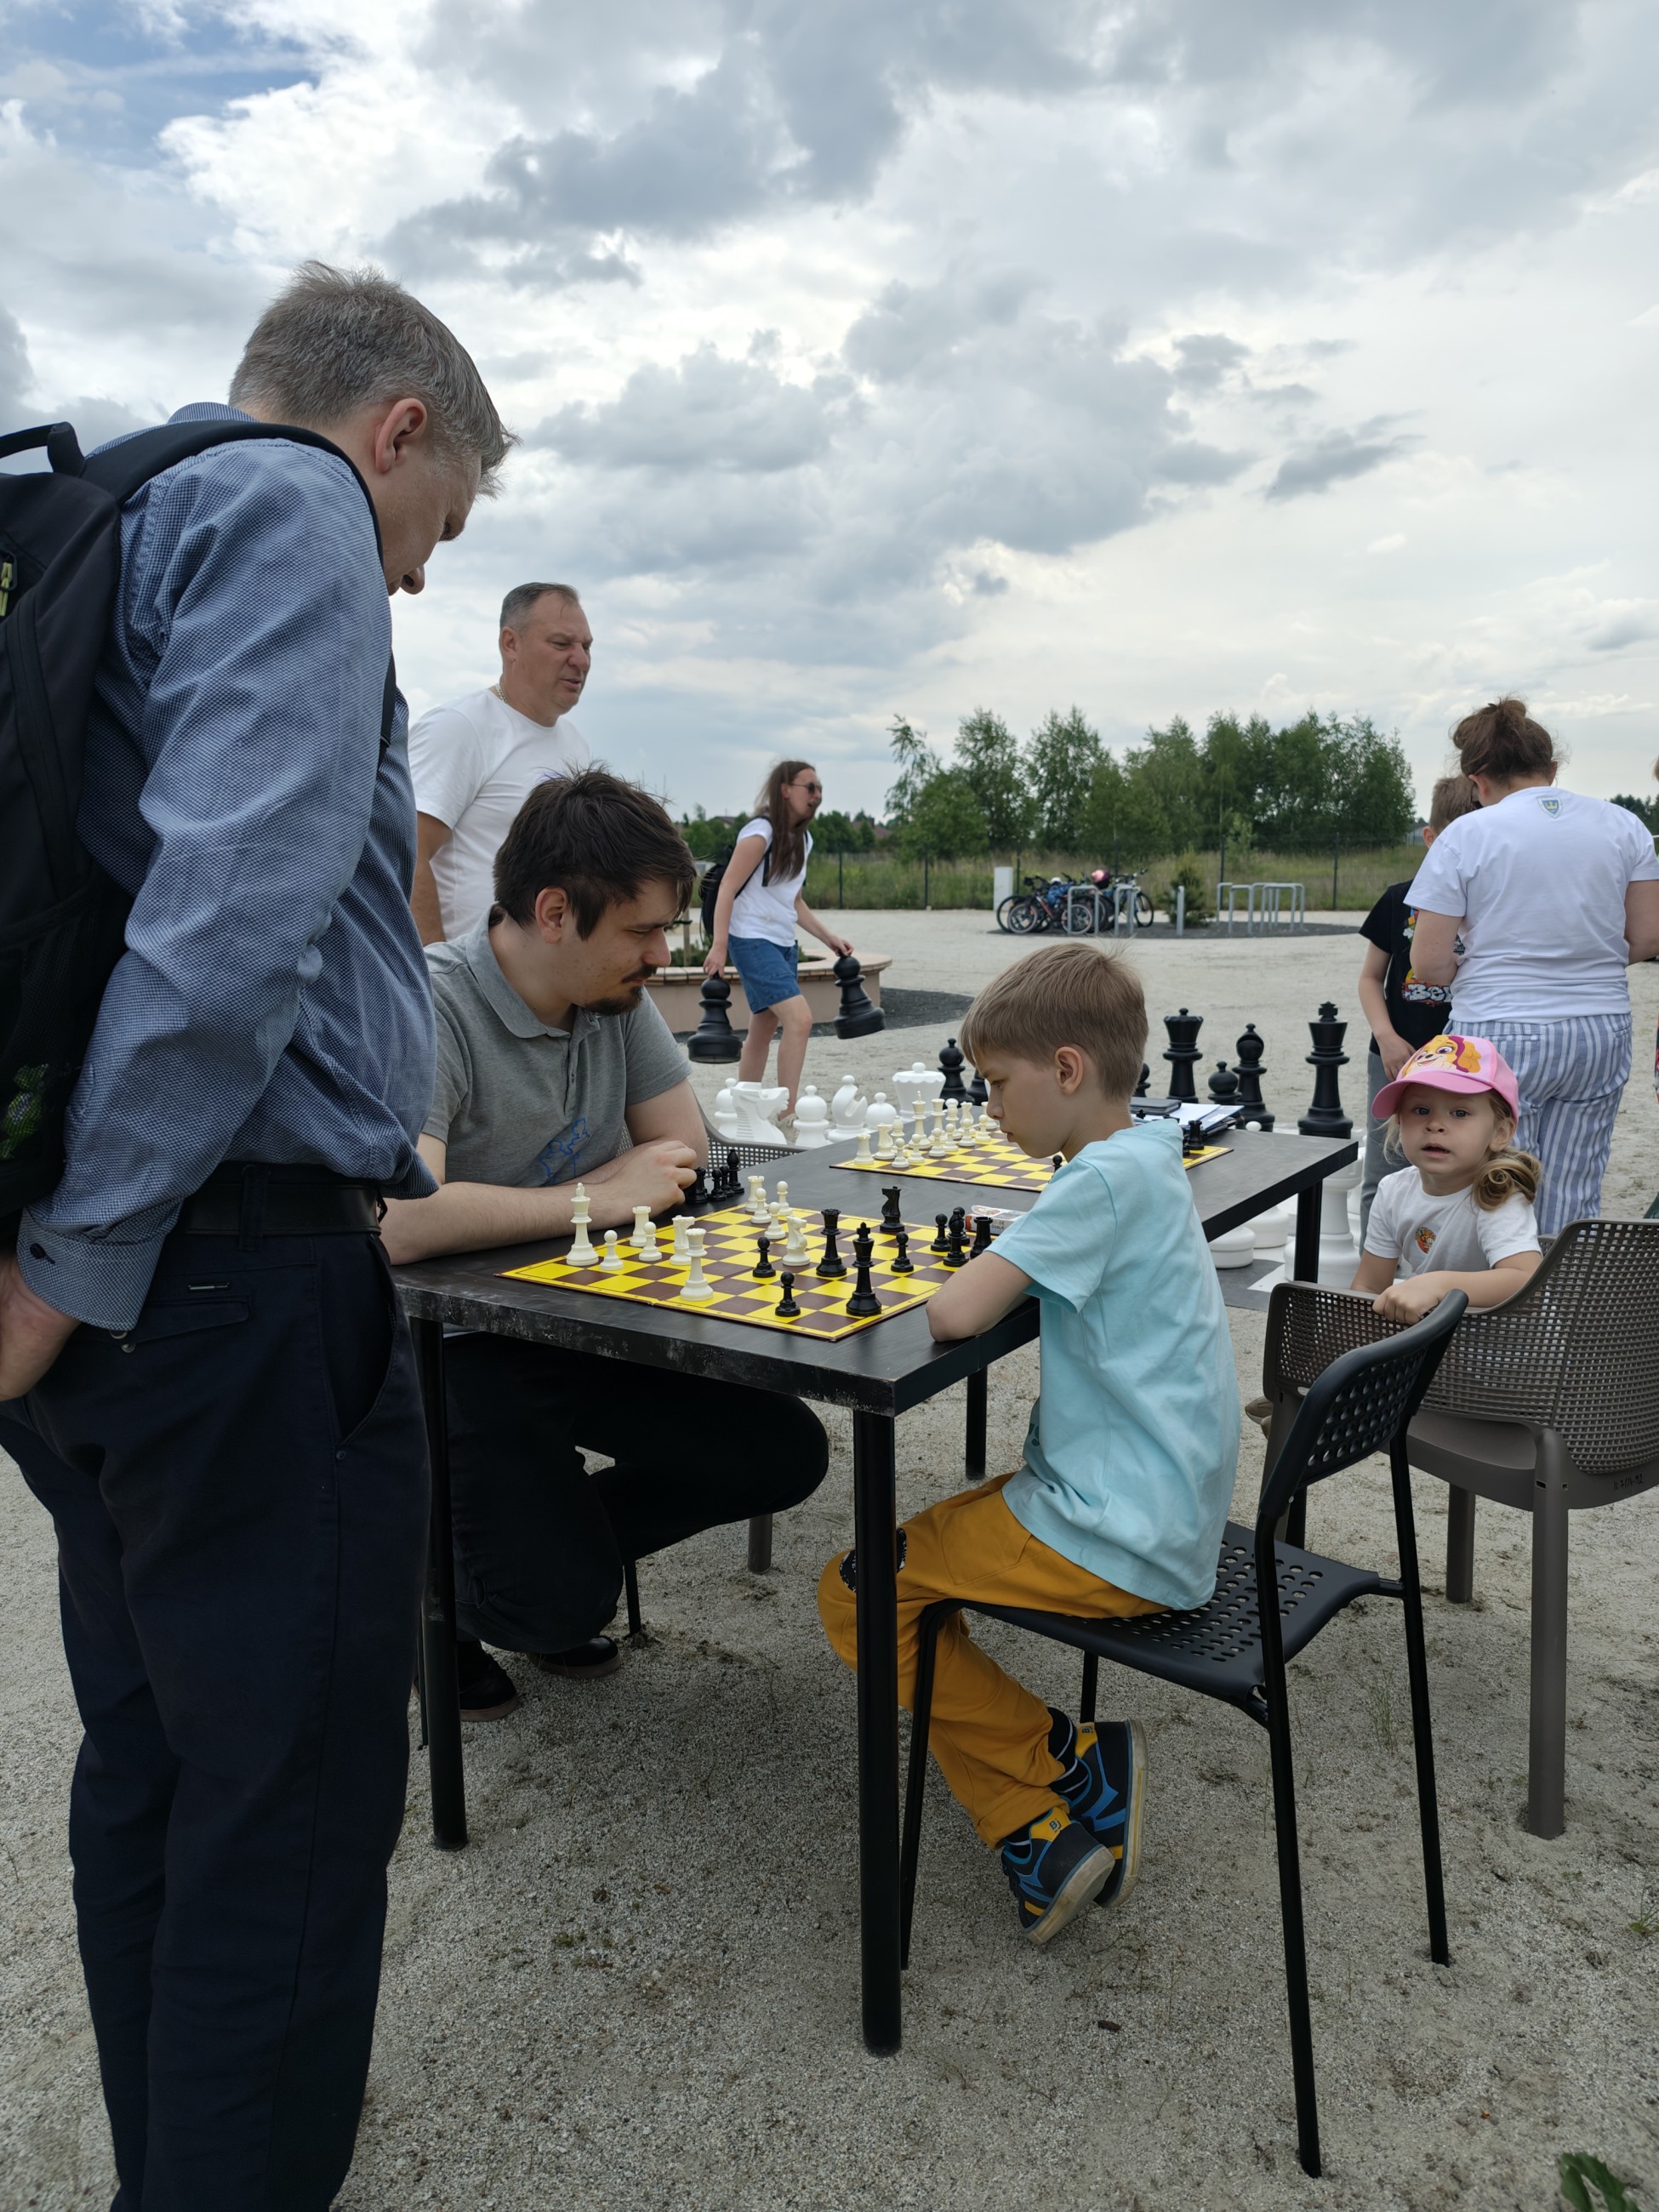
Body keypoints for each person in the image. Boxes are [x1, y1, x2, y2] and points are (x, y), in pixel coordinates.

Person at [0, 263, 510, 2208]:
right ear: (395, 429)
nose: (417, 577)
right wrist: (75, 1256)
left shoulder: (110, 511)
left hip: (115, 1295)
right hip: (221, 1278)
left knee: (153, 1771)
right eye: (436, 523)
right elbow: (228, 933)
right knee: (281, 1831)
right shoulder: (292, 507)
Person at [381, 769, 829, 1718]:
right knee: (552, 1605)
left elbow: (683, 1155)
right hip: (454, 1346)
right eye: (641, 931)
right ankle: (437, 1593)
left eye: (668, 929)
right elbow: (402, 1221)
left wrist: (623, 1189)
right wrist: (599, 1193)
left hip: (586, 1318)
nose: (662, 955)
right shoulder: (424, 1003)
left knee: (782, 1452)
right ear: (554, 912)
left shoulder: (613, 1000)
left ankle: (536, 1554)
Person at [817, 942, 1240, 1944]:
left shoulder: (1094, 1186)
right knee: (905, 1571)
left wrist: (999, 1252)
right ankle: (1040, 1822)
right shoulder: (1146, 1157)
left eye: (999, 1083)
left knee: (856, 1592)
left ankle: (1060, 1767)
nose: (990, 1107)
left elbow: (955, 1313)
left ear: (1066, 1069)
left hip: (1113, 1533)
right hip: (1159, 1512)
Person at [1405, 698, 1659, 1234]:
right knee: (1575, 1184)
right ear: (1552, 768)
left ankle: (1501, 1287)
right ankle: (1559, 1289)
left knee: (1496, 1183)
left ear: (1478, 780)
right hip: (1599, 1026)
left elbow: (1427, 963)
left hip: (1498, 1025)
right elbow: (1646, 937)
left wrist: (1470, 970)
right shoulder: (1624, 826)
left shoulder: (1465, 836)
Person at [408, 581, 592, 943]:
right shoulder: (460, 728)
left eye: (586, 646)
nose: (581, 661)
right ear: (511, 643)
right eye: (561, 644)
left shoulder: (576, 745)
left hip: (549, 973)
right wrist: (434, 968)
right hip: (467, 972)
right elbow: (405, 851)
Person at [1355, 773, 1479, 1236]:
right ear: (1431, 838)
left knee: (1460, 1173)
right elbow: (1370, 978)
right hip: (1395, 1058)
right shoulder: (1398, 899)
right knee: (1384, 1170)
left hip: (1465, 1062)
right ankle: (1375, 1271)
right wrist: (1386, 1037)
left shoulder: (1492, 904)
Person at [1351, 1035, 1542, 1320]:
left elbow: (1525, 1280)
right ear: (1400, 1121)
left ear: (1500, 1132)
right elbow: (1368, 1286)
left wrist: (1438, 1285)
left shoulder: (1496, 1194)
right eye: (1421, 1110)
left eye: (1460, 1113)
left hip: (1496, 1341)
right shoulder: (1393, 1190)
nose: (1435, 1124)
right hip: (1432, 1333)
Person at [701, 760, 854, 1112]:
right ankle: (788, 1114)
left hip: (783, 943)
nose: (816, 795)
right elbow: (727, 888)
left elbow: (793, 901)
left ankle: (746, 1111)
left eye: (819, 789)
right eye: (809, 787)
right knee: (800, 1019)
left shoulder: (804, 839)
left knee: (763, 1028)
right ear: (785, 790)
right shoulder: (760, 833)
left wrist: (828, 937)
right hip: (751, 939)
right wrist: (719, 945)